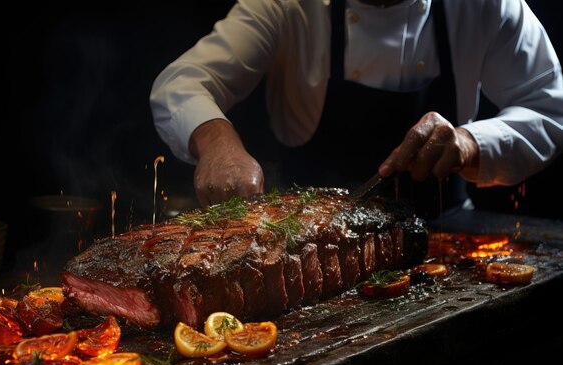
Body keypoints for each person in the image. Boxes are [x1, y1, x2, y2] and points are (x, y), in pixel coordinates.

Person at [150, 0, 563, 219]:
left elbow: (550, 107)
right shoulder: (285, 5)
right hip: (308, 245)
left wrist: (472, 143)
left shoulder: (485, 5)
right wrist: (216, 139)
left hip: (444, 233)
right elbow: (182, 81)